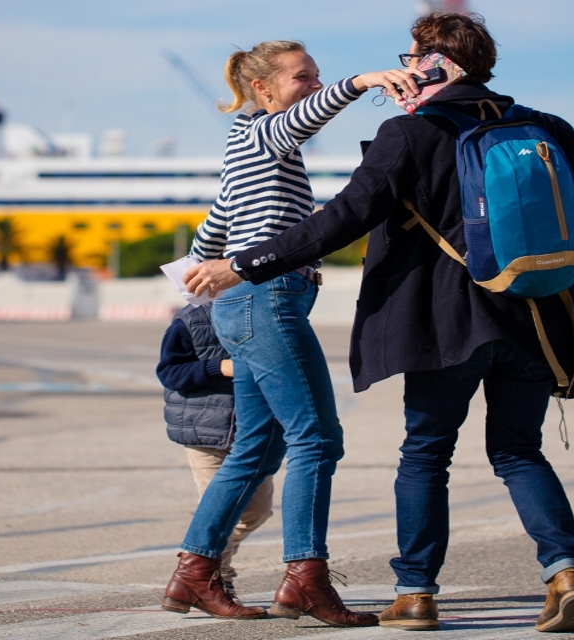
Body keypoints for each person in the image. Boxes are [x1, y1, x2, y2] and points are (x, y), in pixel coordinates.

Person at [183, 13, 574, 634]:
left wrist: (247, 263)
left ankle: (416, 593)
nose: (402, 71)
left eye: (411, 58)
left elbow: (342, 218)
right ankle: (565, 573)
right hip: (534, 317)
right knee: (518, 450)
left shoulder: (409, 134)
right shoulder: (544, 128)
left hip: (443, 325)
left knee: (426, 454)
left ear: (435, 65)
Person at [161, 40, 425, 627]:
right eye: (302, 77)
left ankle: (193, 575)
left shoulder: (247, 149)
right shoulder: (263, 133)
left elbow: (216, 223)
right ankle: (305, 579)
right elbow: (303, 119)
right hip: (266, 299)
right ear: (265, 89)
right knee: (316, 439)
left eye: (318, 77)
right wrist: (358, 82)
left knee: (256, 448)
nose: (312, 85)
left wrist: (197, 275)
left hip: (248, 302)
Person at [155, 303, 273, 599]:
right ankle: (213, 576)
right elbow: (170, 371)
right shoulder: (191, 319)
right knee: (221, 510)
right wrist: (219, 366)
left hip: (254, 432)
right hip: (206, 433)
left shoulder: (266, 311)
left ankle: (194, 557)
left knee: (257, 511)